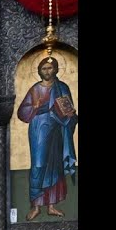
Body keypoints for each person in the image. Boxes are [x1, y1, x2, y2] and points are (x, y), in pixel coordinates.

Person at [16, 55, 77, 221]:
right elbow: (22, 112)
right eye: (44, 69)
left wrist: (69, 115)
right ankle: (35, 206)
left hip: (57, 129)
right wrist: (34, 107)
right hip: (38, 129)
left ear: (56, 69)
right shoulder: (35, 89)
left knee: (55, 165)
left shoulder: (62, 87)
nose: (47, 71)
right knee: (38, 164)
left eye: (50, 68)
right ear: (39, 71)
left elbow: (69, 111)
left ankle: (51, 205)